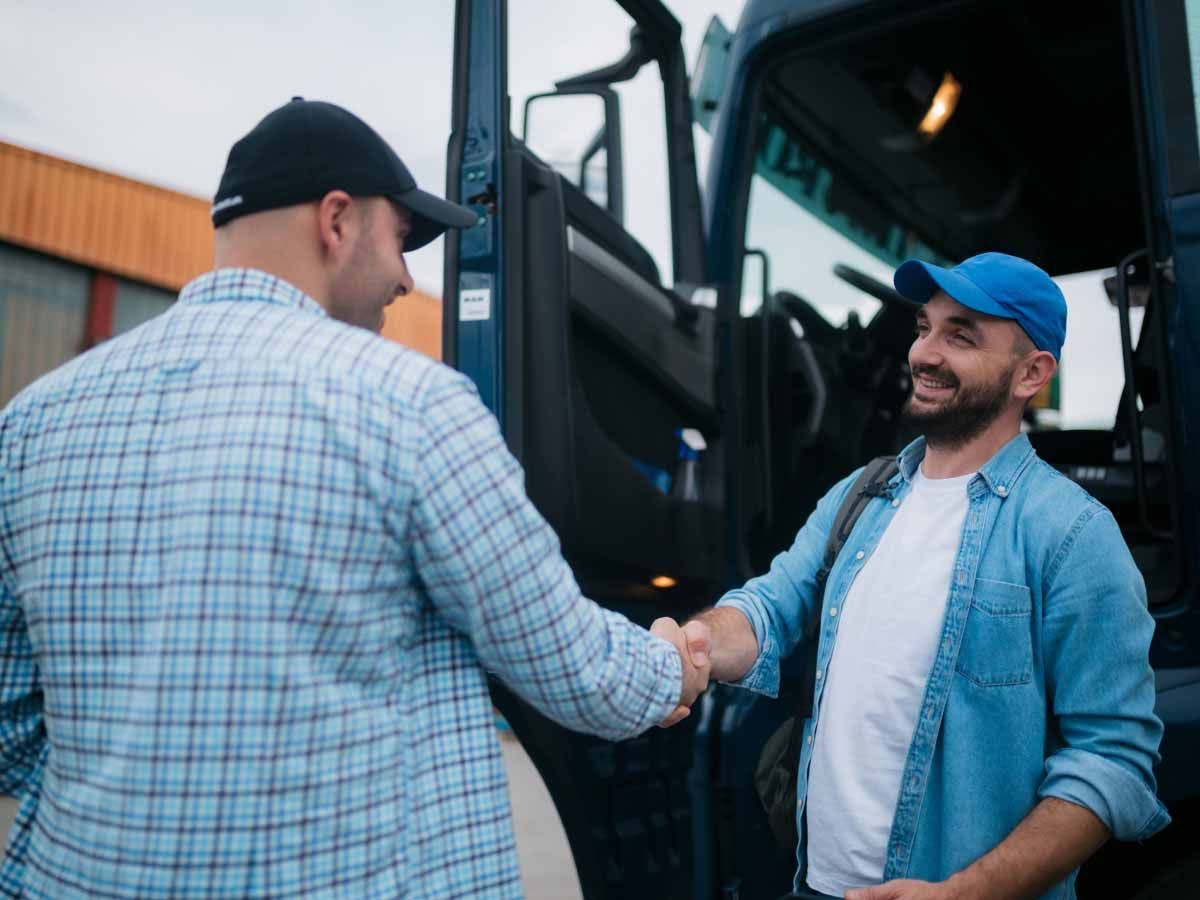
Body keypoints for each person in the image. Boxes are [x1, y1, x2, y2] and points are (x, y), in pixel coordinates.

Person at [0, 98, 710, 898]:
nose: (407, 278)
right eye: (403, 241)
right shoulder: (409, 403)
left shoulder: (31, 422)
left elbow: (9, 723)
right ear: (336, 221)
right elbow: (570, 666)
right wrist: (675, 666)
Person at [653, 252, 1168, 900]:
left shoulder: (1073, 536)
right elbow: (770, 605)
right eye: (925, 327)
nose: (924, 352)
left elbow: (1114, 762)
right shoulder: (863, 494)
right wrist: (695, 644)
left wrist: (967, 892)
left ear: (1031, 374)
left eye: (962, 336)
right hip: (816, 887)